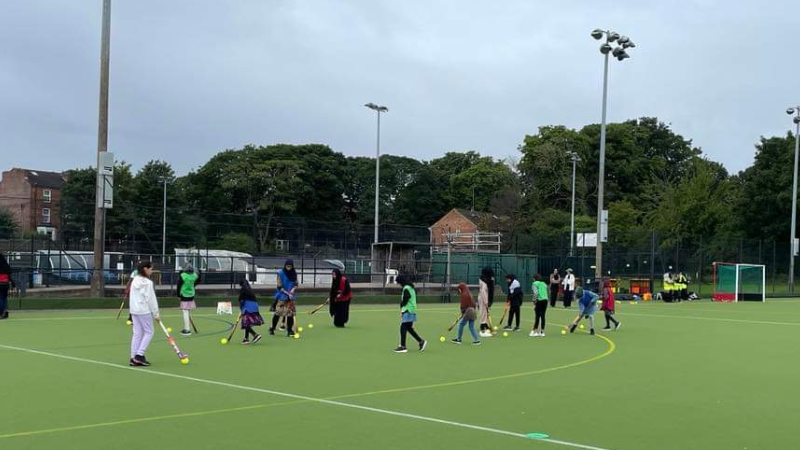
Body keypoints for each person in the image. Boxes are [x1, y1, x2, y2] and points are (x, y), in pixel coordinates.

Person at [129, 261, 161, 366]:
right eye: (151, 269)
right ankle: (139, 355)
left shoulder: (134, 281)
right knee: (149, 332)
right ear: (145, 269)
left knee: (137, 333)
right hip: (144, 310)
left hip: (134, 310)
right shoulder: (148, 283)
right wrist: (156, 313)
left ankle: (133, 357)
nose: (151, 271)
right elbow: (151, 299)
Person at [393, 275, 427, 353]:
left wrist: (401, 305)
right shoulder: (410, 287)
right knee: (408, 328)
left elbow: (406, 298)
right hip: (411, 309)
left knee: (403, 327)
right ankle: (421, 341)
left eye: (399, 282)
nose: (399, 284)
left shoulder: (406, 288)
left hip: (408, 309)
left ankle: (403, 346)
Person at [271, 259, 298, 337]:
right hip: (282, 296)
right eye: (287, 266)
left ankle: (289, 331)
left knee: (290, 314)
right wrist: (287, 293)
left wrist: (293, 289)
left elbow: (296, 284)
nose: (288, 268)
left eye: (290, 266)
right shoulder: (280, 273)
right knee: (278, 313)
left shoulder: (294, 274)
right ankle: (272, 328)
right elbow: (279, 286)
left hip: (291, 296)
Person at [177, 264, 200, 336]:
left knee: (185, 311)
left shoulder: (182, 276)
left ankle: (187, 330)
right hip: (191, 295)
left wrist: (178, 295)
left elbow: (179, 286)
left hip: (184, 295)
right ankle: (186, 328)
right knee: (187, 311)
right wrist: (193, 285)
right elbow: (199, 280)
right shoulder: (194, 275)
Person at [238, 279, 264, 344]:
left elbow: (241, 301)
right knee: (248, 323)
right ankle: (246, 339)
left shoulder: (243, 290)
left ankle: (255, 335)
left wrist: (241, 311)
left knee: (245, 323)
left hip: (248, 307)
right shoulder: (250, 290)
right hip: (255, 307)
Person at [478, 267, 495, 337]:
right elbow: (483, 291)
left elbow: (491, 290)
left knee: (486, 312)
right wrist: (486, 302)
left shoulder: (489, 279)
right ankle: (483, 326)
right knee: (483, 312)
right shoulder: (483, 280)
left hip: (486, 298)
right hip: (483, 298)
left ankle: (486, 325)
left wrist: (489, 302)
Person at [0, 252, 13, 319]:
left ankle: (1, 312)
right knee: (4, 298)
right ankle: (5, 310)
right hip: (6, 283)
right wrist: (13, 284)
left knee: (1, 298)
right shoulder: (5, 265)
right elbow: (9, 272)